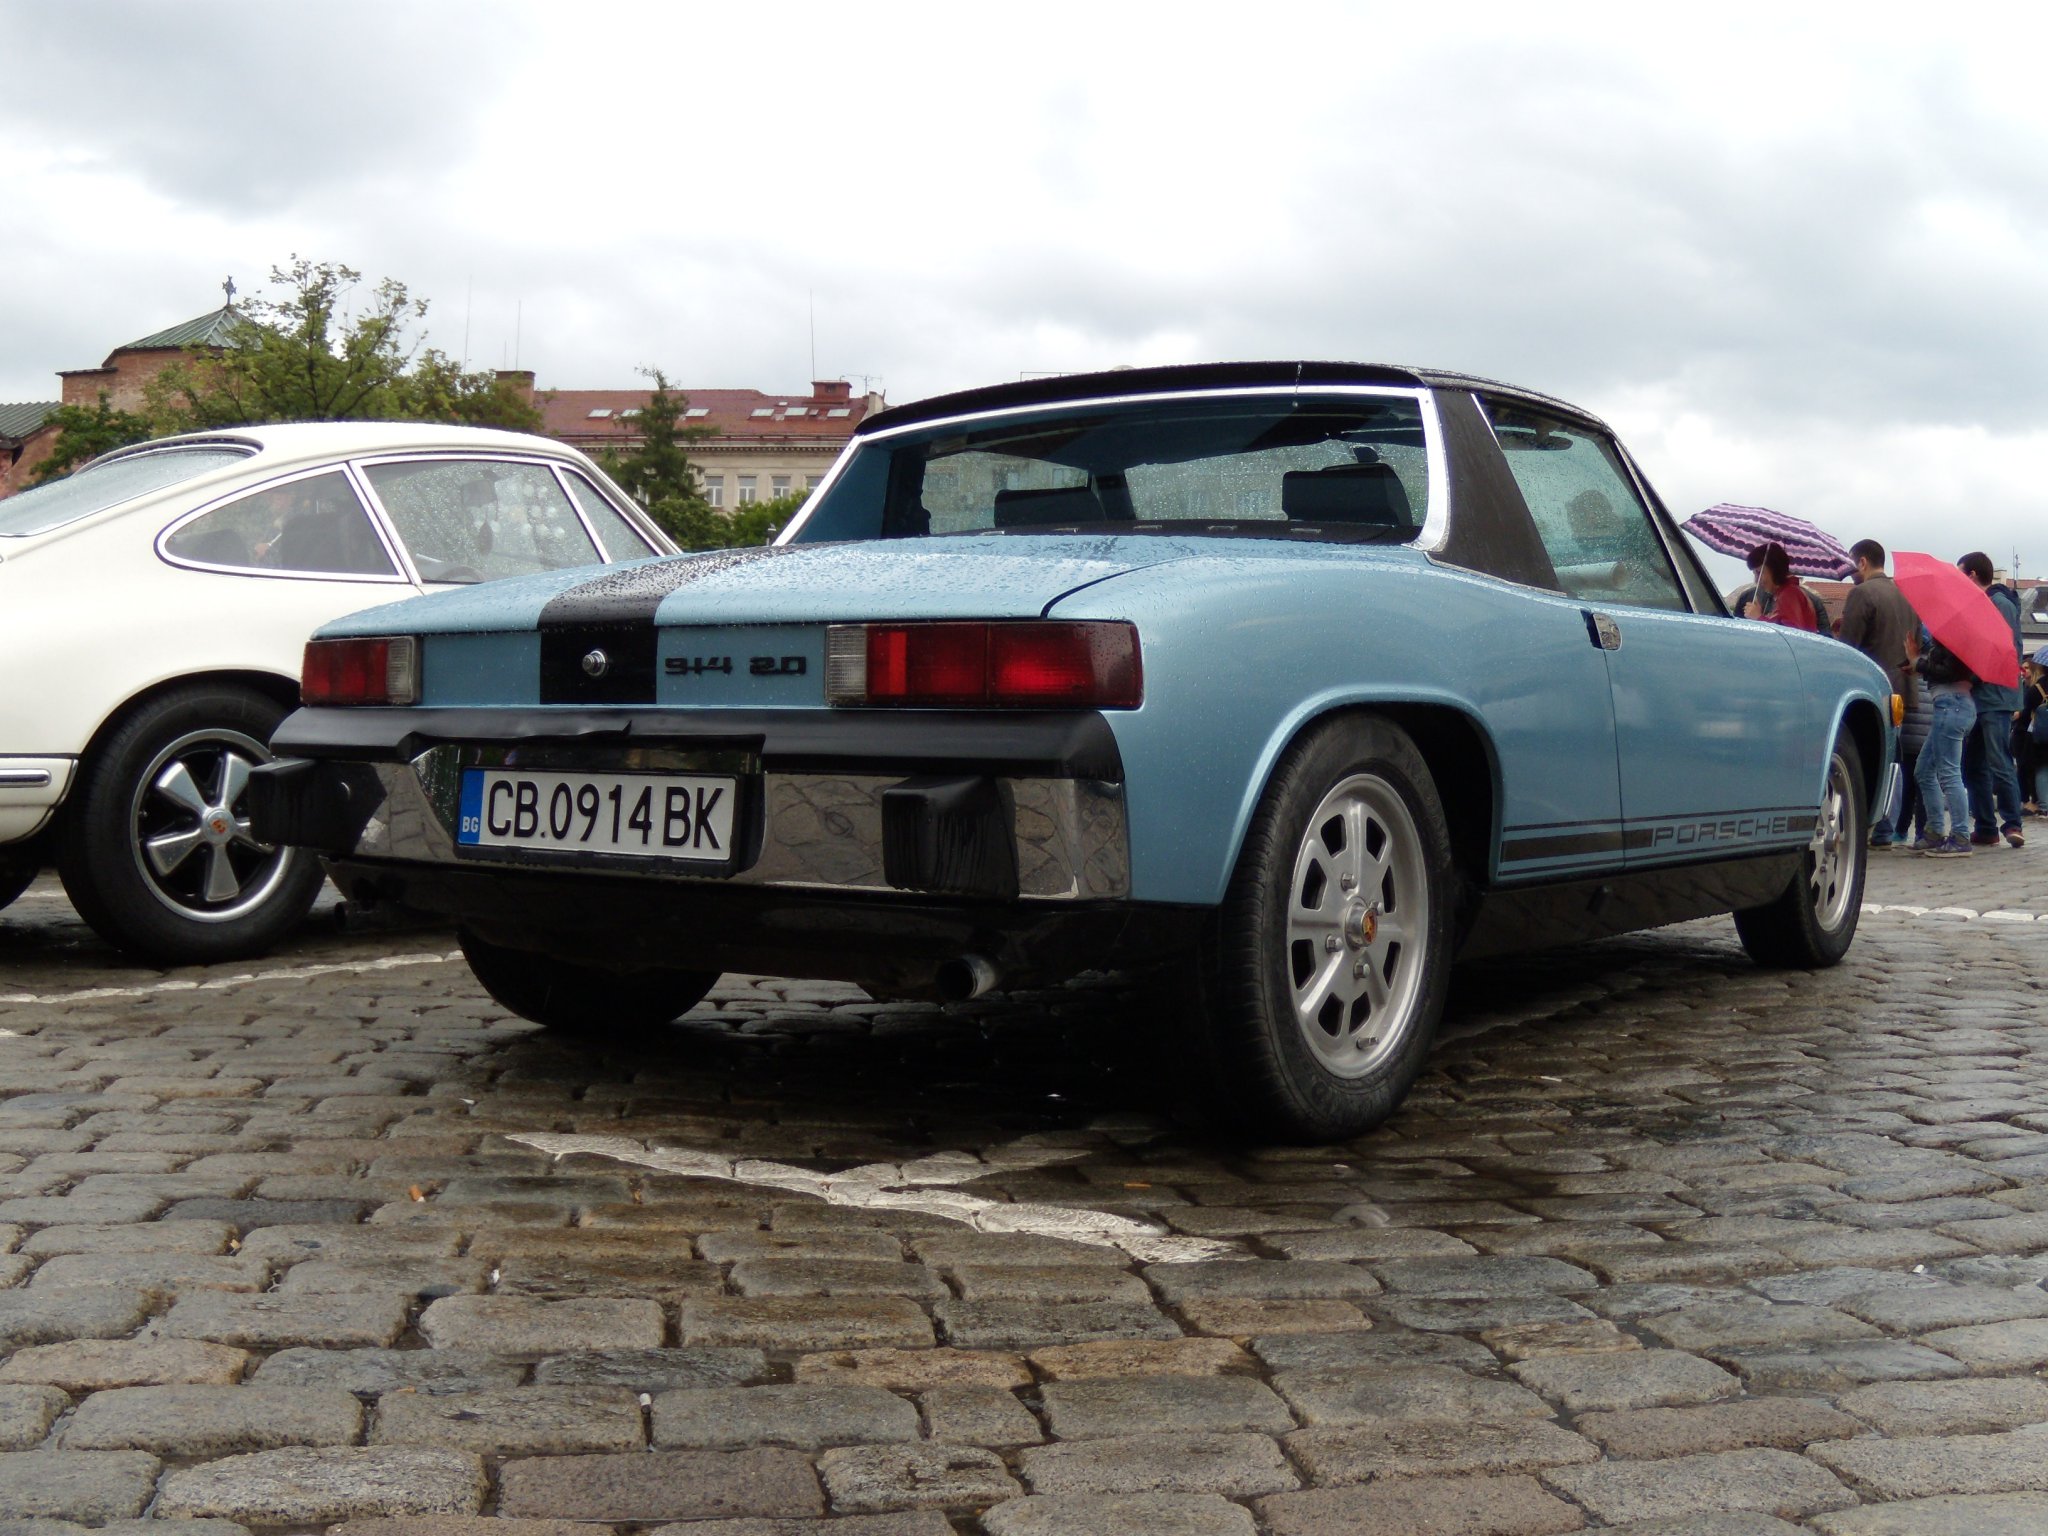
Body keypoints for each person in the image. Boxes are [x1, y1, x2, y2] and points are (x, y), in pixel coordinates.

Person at [1838, 538, 1921, 845]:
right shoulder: (1907, 595)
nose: (1850, 573)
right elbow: (1916, 645)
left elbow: (1848, 648)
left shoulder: (1862, 593)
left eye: (1852, 565)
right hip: (1903, 689)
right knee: (1893, 759)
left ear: (1862, 562)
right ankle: (1888, 826)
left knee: (1867, 759)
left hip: (1871, 691)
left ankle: (1873, 825)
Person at [1956, 551, 2026, 848]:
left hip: (1995, 695)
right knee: (1973, 764)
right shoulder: (1988, 603)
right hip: (1983, 696)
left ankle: (2012, 824)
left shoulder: (1999, 603)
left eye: (1961, 574)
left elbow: (2002, 650)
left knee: (1999, 761)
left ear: (1972, 575)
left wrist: (1972, 677)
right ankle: (1986, 827)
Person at [1914, 626, 1979, 856]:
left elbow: (1949, 671)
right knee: (1924, 770)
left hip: (1951, 705)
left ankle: (1960, 836)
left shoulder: (1955, 637)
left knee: (1949, 774)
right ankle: (1935, 831)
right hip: (1953, 705)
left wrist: (1918, 663)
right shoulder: (1955, 639)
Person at [1750, 543, 1819, 632]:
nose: (1756, 580)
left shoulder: (1789, 594)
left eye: (1759, 572)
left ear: (1775, 570)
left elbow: (1792, 634)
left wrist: (1759, 618)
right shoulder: (1786, 593)